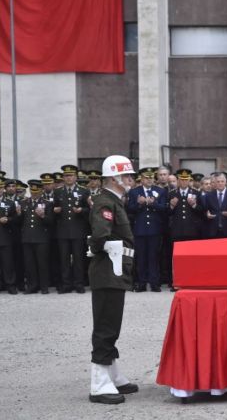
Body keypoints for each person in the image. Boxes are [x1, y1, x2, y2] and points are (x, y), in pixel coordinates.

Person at [87, 155, 139, 404]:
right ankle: (99, 383)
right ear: (114, 178)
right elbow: (100, 236)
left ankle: (112, 374)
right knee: (106, 325)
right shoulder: (105, 202)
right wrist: (102, 248)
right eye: (127, 175)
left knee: (112, 323)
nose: (130, 180)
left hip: (116, 268)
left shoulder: (114, 200)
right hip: (109, 269)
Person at [127, 167, 168, 292]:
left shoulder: (160, 191)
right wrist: (140, 203)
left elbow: (163, 208)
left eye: (151, 177)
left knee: (154, 257)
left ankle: (154, 283)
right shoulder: (134, 192)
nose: (149, 180)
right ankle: (142, 283)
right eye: (146, 178)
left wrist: (152, 203)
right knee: (141, 257)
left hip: (155, 229)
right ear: (142, 179)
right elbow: (130, 209)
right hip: (140, 229)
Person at [54, 164, 91, 294]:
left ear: (76, 177)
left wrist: (81, 210)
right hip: (63, 231)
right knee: (64, 259)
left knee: (78, 259)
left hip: (78, 230)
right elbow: (52, 209)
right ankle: (66, 284)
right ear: (63, 178)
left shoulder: (84, 191)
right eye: (66, 176)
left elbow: (89, 210)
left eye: (71, 176)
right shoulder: (58, 191)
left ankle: (79, 283)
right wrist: (55, 210)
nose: (68, 178)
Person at [20, 180, 54, 294]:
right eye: (32, 191)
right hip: (27, 237)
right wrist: (18, 214)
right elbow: (19, 222)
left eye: (37, 191)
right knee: (29, 264)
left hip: (41, 238)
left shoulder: (47, 203)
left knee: (42, 263)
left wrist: (43, 215)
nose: (34, 193)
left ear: (42, 191)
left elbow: (51, 222)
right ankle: (32, 285)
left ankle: (44, 286)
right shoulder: (24, 202)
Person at [204, 172, 227, 238]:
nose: (220, 183)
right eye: (218, 181)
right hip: (213, 231)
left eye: (222, 181)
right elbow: (205, 211)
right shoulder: (209, 195)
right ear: (215, 183)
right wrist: (207, 215)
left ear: (226, 182)